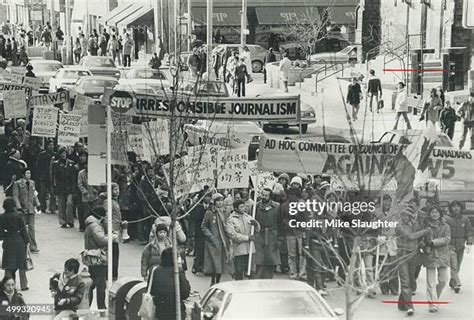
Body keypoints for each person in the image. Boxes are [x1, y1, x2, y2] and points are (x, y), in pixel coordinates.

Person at [395, 205, 431, 316]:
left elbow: (418, 240)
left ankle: (402, 303)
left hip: (413, 255)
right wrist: (425, 231)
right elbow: (410, 236)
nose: (404, 217)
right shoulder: (398, 225)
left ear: (411, 216)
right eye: (403, 215)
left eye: (407, 215)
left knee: (410, 280)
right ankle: (409, 307)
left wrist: (425, 246)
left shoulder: (415, 225)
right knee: (405, 281)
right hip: (402, 256)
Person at [421, 206, 450, 313]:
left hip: (442, 255)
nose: (434, 214)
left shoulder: (446, 226)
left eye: (436, 212)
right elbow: (420, 239)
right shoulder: (425, 226)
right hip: (430, 255)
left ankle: (435, 297)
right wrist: (424, 246)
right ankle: (432, 303)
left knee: (443, 280)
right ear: (429, 214)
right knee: (430, 282)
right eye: (432, 212)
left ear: (440, 214)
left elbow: (447, 239)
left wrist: (433, 242)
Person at [84, 207, 113, 310]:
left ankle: (88, 305)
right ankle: (101, 307)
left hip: (91, 257)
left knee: (91, 283)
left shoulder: (89, 224)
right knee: (101, 284)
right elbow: (101, 240)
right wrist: (112, 237)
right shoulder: (96, 226)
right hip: (98, 258)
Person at [150, 247, 190, 320]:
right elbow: (185, 292)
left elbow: (151, 290)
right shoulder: (178, 271)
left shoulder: (155, 271)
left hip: (160, 309)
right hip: (176, 309)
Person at [201, 193, 232, 285]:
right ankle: (213, 280)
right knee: (214, 263)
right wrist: (210, 236)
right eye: (218, 201)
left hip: (224, 241)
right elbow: (204, 226)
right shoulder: (209, 213)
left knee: (222, 263)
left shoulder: (226, 212)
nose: (220, 202)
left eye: (221, 200)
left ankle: (218, 281)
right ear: (214, 202)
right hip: (213, 242)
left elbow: (229, 224)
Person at [0, 198, 29, 291]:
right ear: (14, 206)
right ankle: (23, 285)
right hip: (19, 240)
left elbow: (0, 233)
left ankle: (8, 284)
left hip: (8, 242)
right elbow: (24, 230)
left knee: (8, 264)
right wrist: (26, 241)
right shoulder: (19, 215)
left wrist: (5, 236)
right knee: (21, 264)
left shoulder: (2, 217)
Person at [226, 199, 259, 280]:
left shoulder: (248, 217)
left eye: (244, 206)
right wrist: (247, 238)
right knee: (239, 271)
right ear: (236, 208)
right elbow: (232, 235)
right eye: (241, 207)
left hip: (250, 249)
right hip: (239, 250)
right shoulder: (231, 220)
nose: (244, 208)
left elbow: (256, 230)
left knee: (251, 271)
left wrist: (257, 225)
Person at [445, 201, 472, 293]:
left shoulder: (465, 219)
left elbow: (469, 231)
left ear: (461, 208)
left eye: (458, 206)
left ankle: (452, 282)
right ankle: (457, 283)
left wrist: (469, 243)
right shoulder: (446, 219)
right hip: (450, 244)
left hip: (461, 245)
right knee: (454, 265)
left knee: (458, 266)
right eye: (454, 206)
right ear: (450, 208)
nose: (456, 208)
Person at [254, 188, 281, 279]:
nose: (264, 197)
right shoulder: (256, 206)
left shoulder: (277, 206)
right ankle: (258, 280)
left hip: (272, 235)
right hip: (259, 235)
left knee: (270, 259)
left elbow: (280, 223)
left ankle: (268, 279)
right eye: (263, 195)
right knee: (259, 259)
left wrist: (280, 238)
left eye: (266, 195)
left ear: (270, 196)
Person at [12, 168, 40, 253]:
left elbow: (34, 194)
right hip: (22, 209)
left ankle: (33, 246)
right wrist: (18, 207)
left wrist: (38, 204)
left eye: (30, 173)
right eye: (27, 173)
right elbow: (15, 196)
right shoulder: (17, 183)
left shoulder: (32, 183)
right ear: (23, 175)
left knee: (31, 228)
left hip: (31, 208)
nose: (29, 175)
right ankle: (22, 246)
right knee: (22, 228)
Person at [51, 147, 75, 228]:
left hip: (69, 187)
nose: (63, 155)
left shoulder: (71, 163)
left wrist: (73, 187)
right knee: (61, 205)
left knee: (69, 203)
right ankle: (62, 221)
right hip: (60, 187)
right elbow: (54, 176)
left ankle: (70, 220)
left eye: (64, 153)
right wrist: (54, 187)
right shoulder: (56, 164)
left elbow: (73, 177)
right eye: (62, 153)